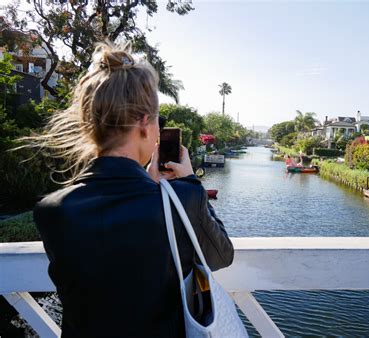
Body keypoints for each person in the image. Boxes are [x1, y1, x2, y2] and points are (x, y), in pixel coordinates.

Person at [30, 42, 234, 337]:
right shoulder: (182, 198)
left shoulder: (51, 210)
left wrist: (149, 184)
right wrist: (188, 183)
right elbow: (221, 256)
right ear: (143, 123)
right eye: (157, 120)